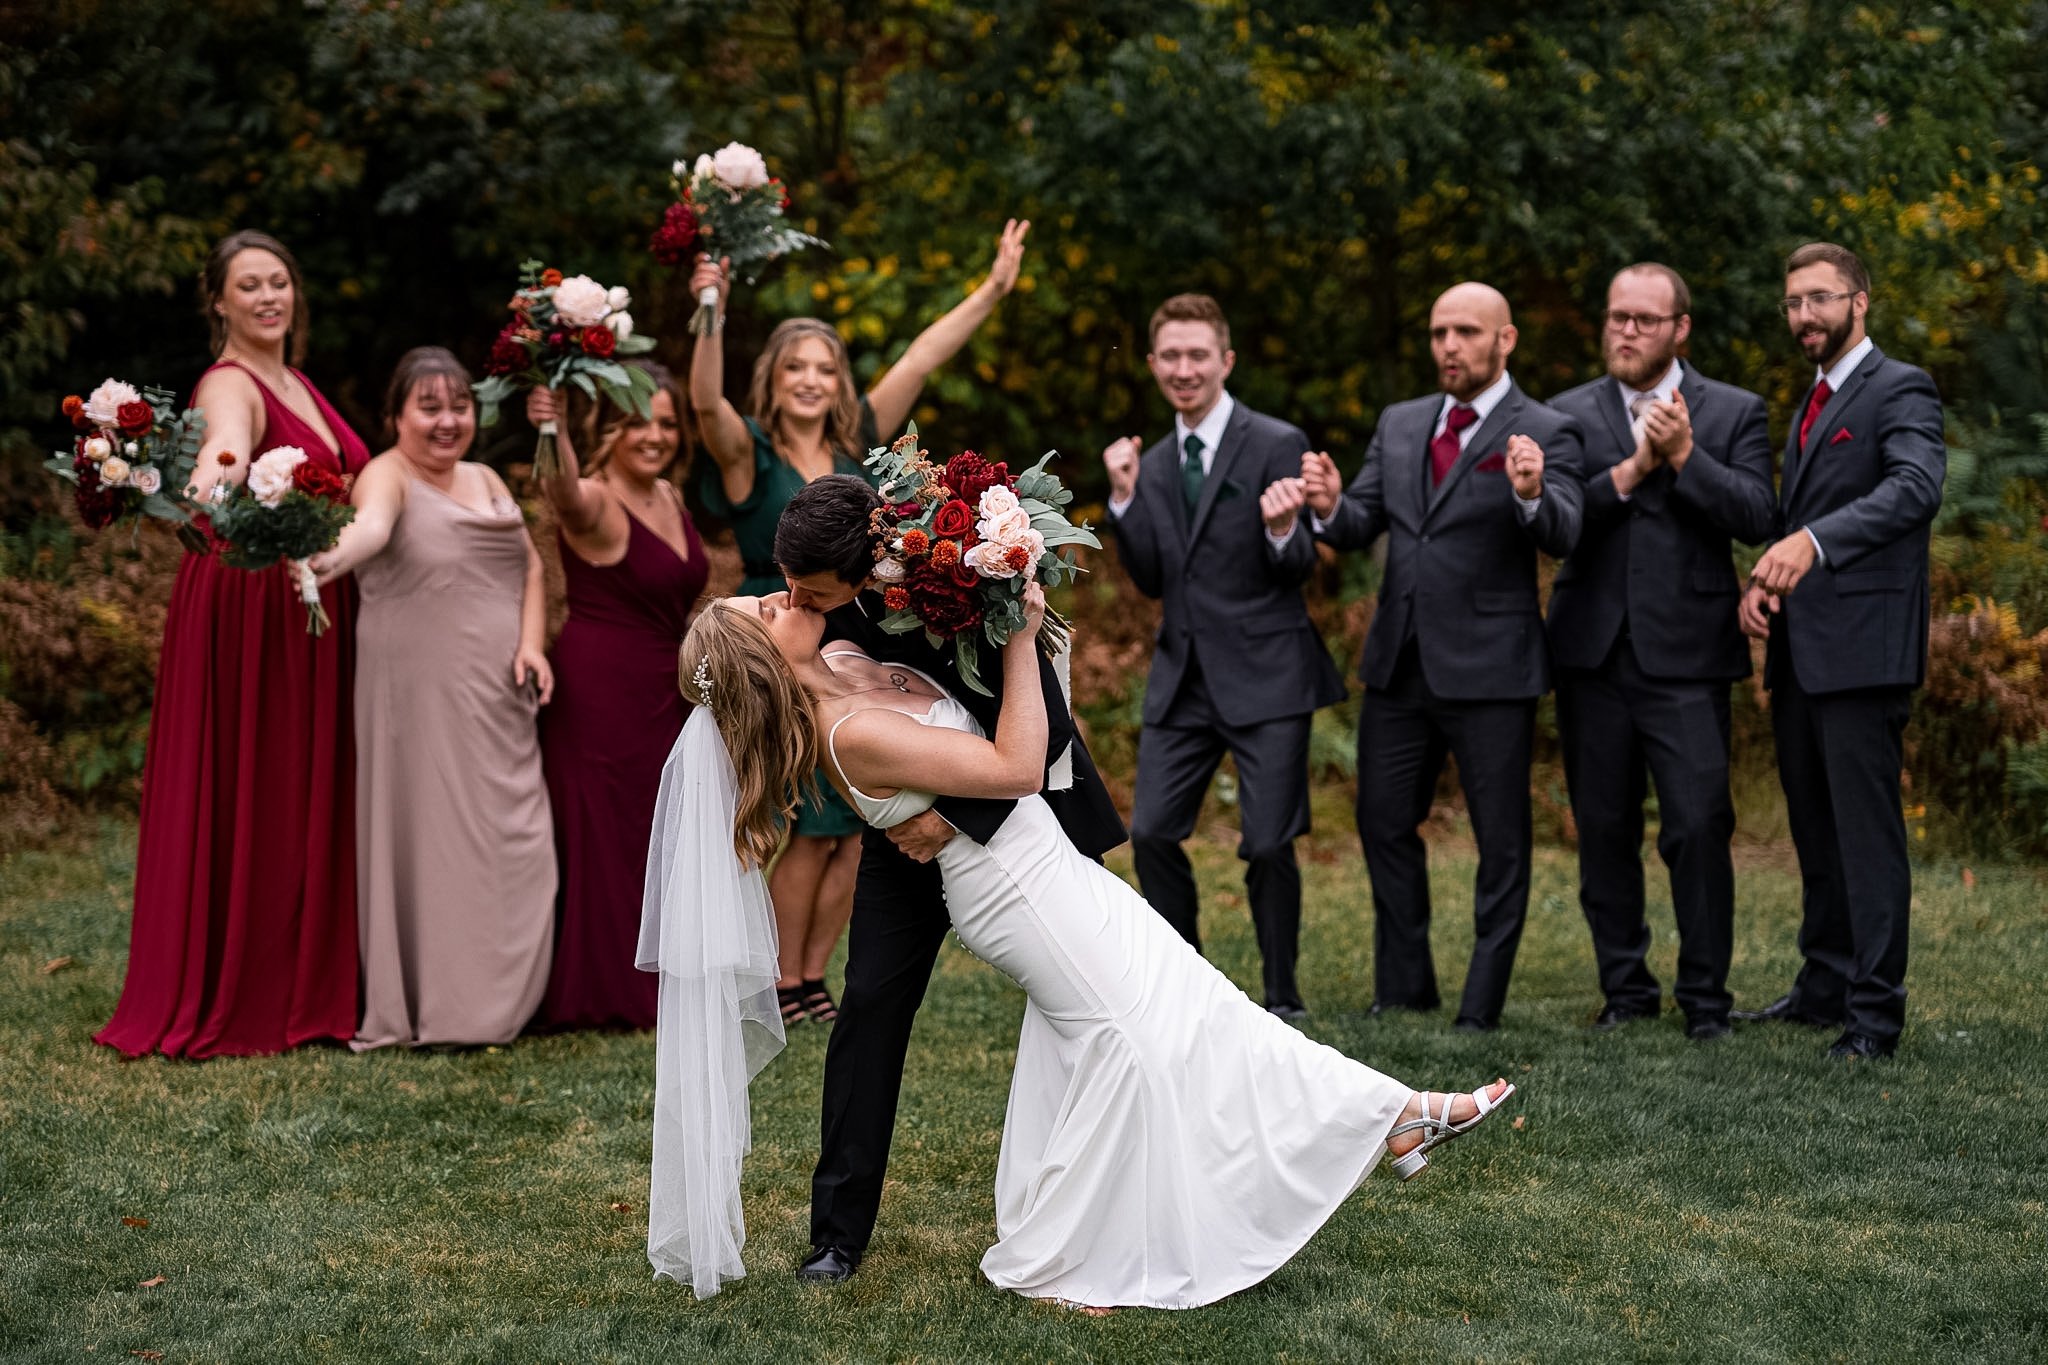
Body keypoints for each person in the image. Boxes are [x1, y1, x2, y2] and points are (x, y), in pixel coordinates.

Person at [642, 585, 1519, 1307]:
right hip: (1016, 893)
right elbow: (1018, 766)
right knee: (1128, 1045)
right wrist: (1021, 637)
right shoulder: (850, 729)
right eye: (763, 606)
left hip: (1049, 867)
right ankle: (1062, 1258)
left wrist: (994, 587)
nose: (779, 591)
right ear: (764, 656)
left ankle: (1395, 1115)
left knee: (1200, 1003)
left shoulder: (843, 658)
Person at [771, 474, 1125, 1285]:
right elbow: (820, 729)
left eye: (809, 588)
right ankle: (837, 1233)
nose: (793, 597)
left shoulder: (956, 573)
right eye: (789, 584)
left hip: (1026, 819)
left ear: (861, 566)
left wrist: (951, 814)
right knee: (870, 1009)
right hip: (904, 848)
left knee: (1100, 996)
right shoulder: (812, 604)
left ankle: (1086, 1198)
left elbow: (1039, 712)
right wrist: (896, 811)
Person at [686, 220, 1031, 1027]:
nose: (812, 379)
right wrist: (710, 310)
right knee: (808, 825)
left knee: (851, 834)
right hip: (785, 642)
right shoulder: (752, 455)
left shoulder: (858, 441)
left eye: (826, 367)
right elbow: (704, 399)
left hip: (866, 637)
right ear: (773, 378)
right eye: (796, 367)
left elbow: (919, 356)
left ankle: (813, 976)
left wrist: (991, 288)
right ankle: (778, 978)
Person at [95, 229, 367, 1059]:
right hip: (255, 601)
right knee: (269, 777)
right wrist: (211, 477)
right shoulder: (230, 382)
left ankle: (299, 974)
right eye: (248, 286)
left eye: (278, 281)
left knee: (297, 779)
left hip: (299, 596)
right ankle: (257, 986)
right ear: (218, 301)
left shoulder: (297, 380)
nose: (268, 297)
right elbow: (221, 459)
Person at [1294, 282, 1585, 1031]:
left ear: (1505, 340)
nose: (1448, 346)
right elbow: (1361, 520)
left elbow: (1566, 531)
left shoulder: (1548, 426)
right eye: (1437, 332)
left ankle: (1480, 1006)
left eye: (1464, 331)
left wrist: (1530, 492)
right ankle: (1404, 986)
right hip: (1399, 663)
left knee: (1501, 840)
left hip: (1494, 668)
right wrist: (1328, 503)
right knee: (1382, 821)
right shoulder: (1400, 423)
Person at [1545, 264, 1775, 1042]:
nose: (1627, 331)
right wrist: (1636, 467)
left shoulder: (1735, 410)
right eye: (1617, 317)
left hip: (1690, 656)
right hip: (1592, 655)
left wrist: (1685, 458)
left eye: (1645, 319)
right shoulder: (1566, 413)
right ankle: (1626, 989)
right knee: (1604, 825)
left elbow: (1755, 513)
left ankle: (1706, 999)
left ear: (1680, 327)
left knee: (1699, 824)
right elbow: (1562, 521)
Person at [1101, 293, 1343, 1019]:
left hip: (1269, 673)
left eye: (1197, 354)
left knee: (1268, 844)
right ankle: (1191, 990)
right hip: (1183, 679)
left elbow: (1298, 564)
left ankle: (1282, 997)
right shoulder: (1149, 459)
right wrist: (1121, 499)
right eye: (1170, 356)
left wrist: (1280, 531)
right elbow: (1149, 577)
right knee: (1148, 833)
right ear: (1152, 364)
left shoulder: (1274, 440)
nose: (1184, 369)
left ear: (1225, 360)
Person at [308, 348, 556, 1050]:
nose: (447, 422)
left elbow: (531, 568)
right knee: (438, 844)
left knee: (520, 842)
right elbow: (372, 531)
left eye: (459, 406)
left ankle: (498, 999)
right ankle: (446, 1009)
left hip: (501, 693)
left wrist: (532, 645)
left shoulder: (483, 477)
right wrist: (321, 558)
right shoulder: (386, 474)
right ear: (395, 417)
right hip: (417, 694)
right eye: (429, 407)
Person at [1734, 243, 1945, 1060]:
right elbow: (1801, 516)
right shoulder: (1811, 401)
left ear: (1861, 301)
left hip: (1865, 655)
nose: (1803, 317)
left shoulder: (1902, 388)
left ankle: (1875, 1015)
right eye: (1792, 303)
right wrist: (1771, 584)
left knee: (1864, 837)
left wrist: (1813, 543)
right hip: (1802, 648)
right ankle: (1823, 987)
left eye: (1819, 299)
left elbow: (1915, 489)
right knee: (1815, 832)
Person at [525, 367, 708, 1030]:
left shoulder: (667, 492)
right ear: (610, 428)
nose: (655, 435)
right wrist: (552, 425)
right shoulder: (597, 499)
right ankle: (600, 992)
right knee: (603, 834)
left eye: (666, 422)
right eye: (639, 422)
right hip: (599, 689)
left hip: (664, 686)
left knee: (653, 835)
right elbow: (562, 493)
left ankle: (653, 978)